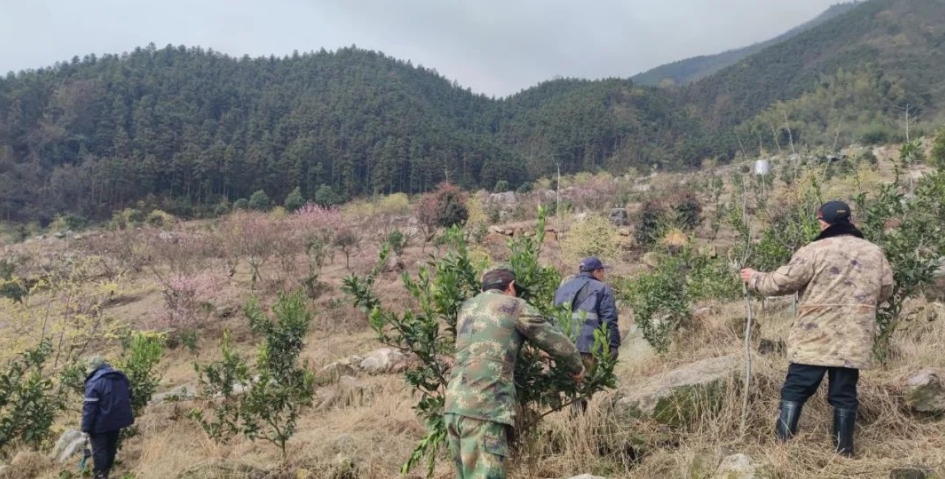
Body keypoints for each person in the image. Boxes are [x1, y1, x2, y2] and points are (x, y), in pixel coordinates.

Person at [740, 201, 893, 457]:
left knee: (796, 388)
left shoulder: (813, 250)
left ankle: (782, 448)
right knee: (844, 393)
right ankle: (844, 451)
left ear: (824, 222)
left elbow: (781, 283)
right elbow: (885, 290)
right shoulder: (874, 252)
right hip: (853, 337)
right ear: (849, 221)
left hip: (814, 335)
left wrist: (754, 277)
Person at [445, 265, 585, 479]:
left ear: (483, 289)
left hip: (454, 407)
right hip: (484, 406)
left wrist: (530, 352)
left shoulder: (467, 307)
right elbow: (553, 339)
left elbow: (489, 343)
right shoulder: (514, 306)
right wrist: (577, 366)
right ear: (510, 286)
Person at [82, 356, 135, 479]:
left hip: (100, 424)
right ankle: (106, 472)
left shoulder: (94, 383)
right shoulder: (120, 377)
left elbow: (90, 409)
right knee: (111, 447)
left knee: (99, 450)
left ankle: (100, 475)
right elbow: (129, 395)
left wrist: (85, 428)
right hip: (117, 421)